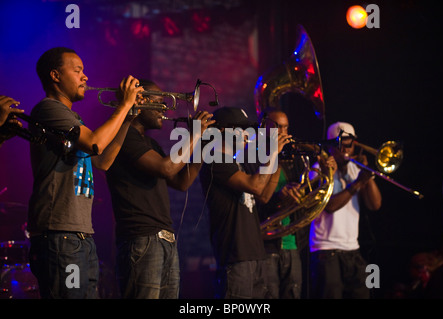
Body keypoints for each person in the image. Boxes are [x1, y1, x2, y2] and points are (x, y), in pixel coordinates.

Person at [27, 47, 143, 299]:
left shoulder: (72, 117)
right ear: (56, 76)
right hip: (60, 234)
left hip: (80, 235)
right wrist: (123, 104)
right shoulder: (48, 109)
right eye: (77, 70)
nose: (85, 77)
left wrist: (128, 117)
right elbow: (95, 143)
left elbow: (102, 161)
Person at [105, 79, 214, 299]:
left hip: (163, 239)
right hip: (142, 238)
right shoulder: (124, 136)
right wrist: (194, 135)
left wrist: (203, 144)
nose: (165, 108)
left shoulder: (150, 143)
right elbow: (167, 168)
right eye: (159, 102)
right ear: (141, 101)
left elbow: (181, 182)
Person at [199, 106, 291, 299]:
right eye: (241, 129)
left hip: (255, 253)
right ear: (223, 131)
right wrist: (272, 153)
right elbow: (256, 186)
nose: (247, 134)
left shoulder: (238, 162)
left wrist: (276, 161)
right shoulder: (214, 159)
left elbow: (264, 196)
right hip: (235, 256)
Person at [309, 121, 382, 299]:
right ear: (332, 145)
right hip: (326, 251)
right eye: (342, 143)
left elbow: (375, 205)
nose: (346, 149)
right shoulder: (319, 170)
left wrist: (367, 175)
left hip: (353, 250)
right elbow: (331, 206)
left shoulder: (355, 169)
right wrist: (357, 183)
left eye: (350, 143)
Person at [257, 108, 307, 299]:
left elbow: (306, 193)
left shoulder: (293, 160)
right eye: (277, 127)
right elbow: (255, 199)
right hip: (267, 244)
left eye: (285, 127)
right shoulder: (255, 157)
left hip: (293, 243)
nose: (283, 133)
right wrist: (279, 197)